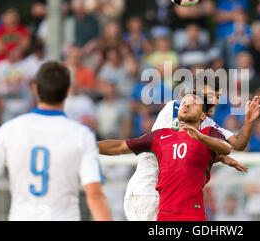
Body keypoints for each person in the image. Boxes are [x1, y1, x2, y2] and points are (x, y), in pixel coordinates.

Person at [0, 62, 112, 221]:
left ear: (35, 90)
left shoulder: (9, 129)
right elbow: (95, 195)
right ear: (67, 92)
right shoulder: (81, 134)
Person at [116, 72, 260, 221]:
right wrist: (219, 156)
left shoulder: (207, 123)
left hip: (168, 201)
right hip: (147, 192)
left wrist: (249, 121)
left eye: (218, 96)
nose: (216, 101)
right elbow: (176, 148)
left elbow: (238, 144)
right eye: (211, 95)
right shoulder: (178, 108)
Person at [98, 93, 233, 221]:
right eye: (184, 102)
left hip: (169, 203)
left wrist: (218, 157)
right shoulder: (162, 133)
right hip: (146, 194)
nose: (186, 105)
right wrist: (88, 146)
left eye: (192, 103)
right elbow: (120, 147)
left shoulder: (201, 136)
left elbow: (227, 147)